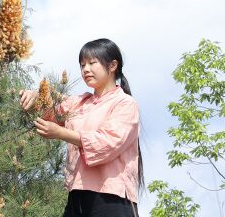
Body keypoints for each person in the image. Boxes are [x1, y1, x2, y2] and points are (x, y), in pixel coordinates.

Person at [19, 38, 143, 217]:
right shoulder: (79, 103)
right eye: (82, 65)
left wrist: (62, 133)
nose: (86, 69)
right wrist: (33, 96)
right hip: (76, 197)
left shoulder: (125, 104)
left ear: (113, 65)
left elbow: (107, 142)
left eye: (92, 63)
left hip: (112, 199)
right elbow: (49, 108)